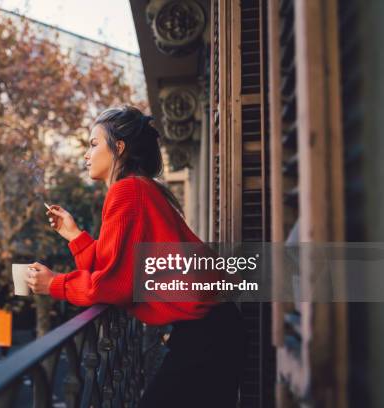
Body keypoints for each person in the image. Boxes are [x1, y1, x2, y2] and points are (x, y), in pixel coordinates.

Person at [26, 106, 246, 407]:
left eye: (93, 144)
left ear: (119, 147)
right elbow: (114, 267)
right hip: (212, 329)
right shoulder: (138, 188)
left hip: (206, 335)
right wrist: (75, 235)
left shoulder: (127, 192)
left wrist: (54, 284)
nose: (86, 155)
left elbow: (113, 285)